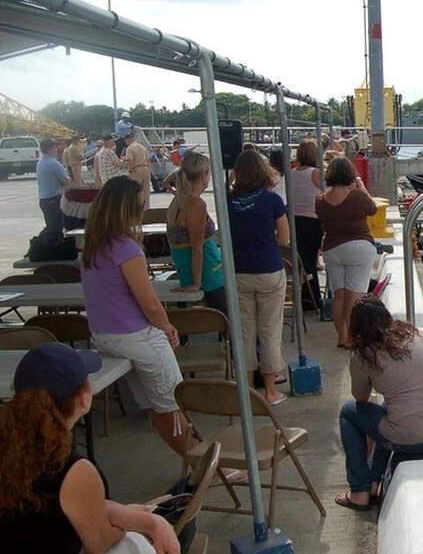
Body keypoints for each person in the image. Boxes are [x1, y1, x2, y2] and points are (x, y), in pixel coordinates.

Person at [0, 343, 237, 554]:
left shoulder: (11, 447)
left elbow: (70, 503)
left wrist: (145, 519)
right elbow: (98, 543)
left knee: (135, 551)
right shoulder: (73, 469)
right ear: (84, 397)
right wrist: (138, 522)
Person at [81, 177, 191, 460]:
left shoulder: (92, 247)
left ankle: (197, 462)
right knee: (173, 405)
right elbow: (150, 304)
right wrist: (167, 327)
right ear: (126, 210)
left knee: (155, 407)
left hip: (105, 335)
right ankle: (204, 464)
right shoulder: (126, 248)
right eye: (140, 206)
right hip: (137, 336)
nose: (143, 211)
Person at [336, 297, 423, 510]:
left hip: (411, 439)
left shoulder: (363, 356)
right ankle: (373, 482)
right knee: (387, 415)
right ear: (386, 316)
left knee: (348, 412)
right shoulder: (413, 336)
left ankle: (359, 491)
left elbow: (360, 398)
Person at [228, 150, 288, 405]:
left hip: (239, 272)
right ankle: (271, 391)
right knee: (270, 331)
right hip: (269, 269)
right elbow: (284, 238)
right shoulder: (272, 200)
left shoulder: (227, 202)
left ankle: (248, 388)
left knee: (245, 333)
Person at [316, 156, 378, 348]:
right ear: (350, 174)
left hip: (332, 249)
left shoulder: (320, 200)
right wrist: (360, 187)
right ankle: (352, 337)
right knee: (354, 295)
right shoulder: (357, 196)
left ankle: (342, 337)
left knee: (339, 295)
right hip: (359, 246)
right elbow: (373, 209)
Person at [167, 152, 227, 314]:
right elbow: (197, 247)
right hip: (207, 273)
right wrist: (196, 282)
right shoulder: (195, 203)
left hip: (191, 269)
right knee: (229, 318)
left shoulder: (178, 199)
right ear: (203, 174)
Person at [290, 139, 324, 310]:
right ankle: (313, 299)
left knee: (304, 261)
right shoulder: (316, 173)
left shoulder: (291, 174)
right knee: (311, 261)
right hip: (314, 220)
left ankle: (308, 298)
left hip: (295, 221)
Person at [37, 137, 70, 241]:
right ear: (51, 148)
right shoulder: (54, 163)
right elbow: (66, 181)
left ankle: (51, 249)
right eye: (55, 147)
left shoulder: (41, 162)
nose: (57, 149)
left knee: (51, 227)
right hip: (53, 199)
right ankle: (56, 251)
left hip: (44, 199)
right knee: (56, 229)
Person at [122, 133, 150, 209]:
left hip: (137, 169)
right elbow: (148, 159)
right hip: (145, 168)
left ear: (128, 140)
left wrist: (130, 170)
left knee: (134, 190)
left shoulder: (130, 148)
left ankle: (135, 207)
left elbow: (130, 161)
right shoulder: (142, 147)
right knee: (146, 190)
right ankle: (146, 207)